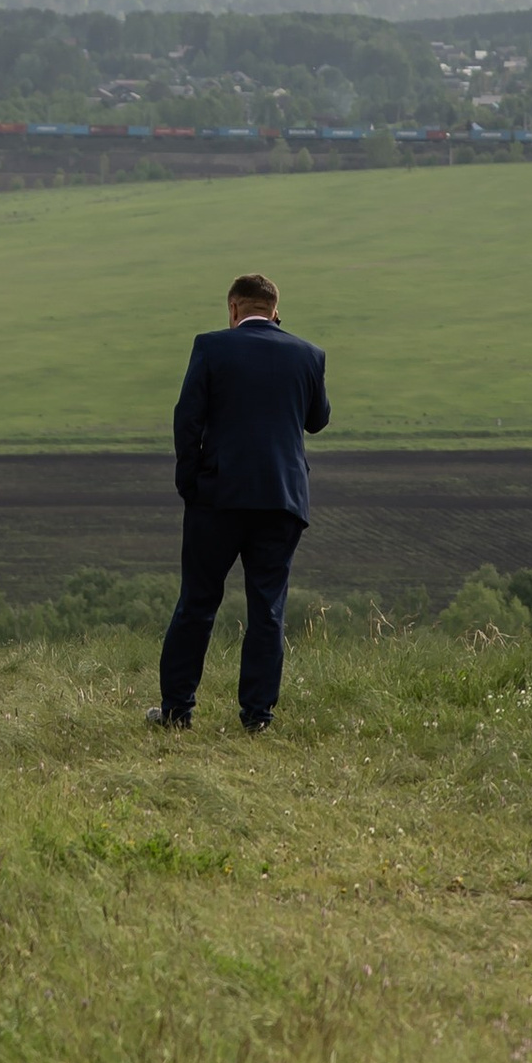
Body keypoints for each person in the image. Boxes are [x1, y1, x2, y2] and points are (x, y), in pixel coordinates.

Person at [150, 271, 329, 735]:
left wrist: (189, 483)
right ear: (274, 310)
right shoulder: (309, 355)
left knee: (197, 602)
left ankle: (176, 711)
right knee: (267, 608)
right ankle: (257, 718)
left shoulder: (211, 347)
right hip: (282, 499)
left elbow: (186, 420)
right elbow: (317, 420)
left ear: (233, 309)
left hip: (218, 496)